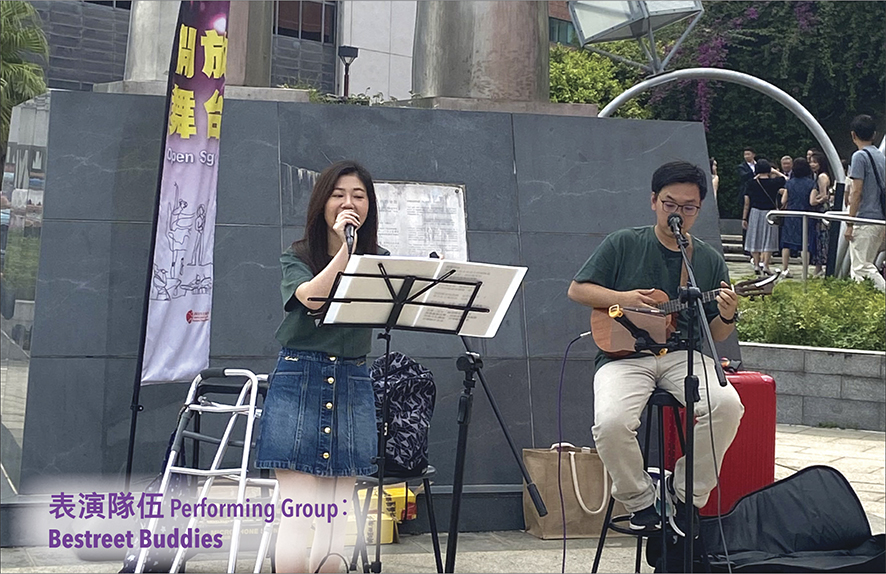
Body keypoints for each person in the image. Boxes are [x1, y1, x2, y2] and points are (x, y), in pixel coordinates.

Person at [567, 161, 743, 536]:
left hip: (683, 354)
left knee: (727, 405)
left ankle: (686, 496)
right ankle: (641, 501)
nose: (678, 213)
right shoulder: (624, 243)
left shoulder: (707, 260)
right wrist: (624, 298)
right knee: (611, 423)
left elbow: (716, 334)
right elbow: (578, 289)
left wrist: (728, 315)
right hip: (624, 355)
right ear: (653, 201)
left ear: (699, 209)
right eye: (670, 204)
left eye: (689, 207)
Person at [255, 160, 387, 573]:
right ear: (322, 203)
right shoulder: (297, 256)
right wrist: (346, 251)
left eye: (359, 196)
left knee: (335, 520)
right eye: (339, 195)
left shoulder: (380, 261)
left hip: (352, 379)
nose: (349, 203)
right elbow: (311, 298)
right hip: (300, 378)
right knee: (298, 514)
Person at [845, 114, 886, 291]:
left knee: (861, 266)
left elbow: (856, 191)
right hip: (880, 218)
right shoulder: (881, 157)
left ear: (853, 134)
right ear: (874, 134)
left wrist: (849, 222)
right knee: (864, 266)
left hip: (865, 219)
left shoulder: (859, 157)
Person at [742, 159, 785, 275]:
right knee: (769, 238)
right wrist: (775, 171)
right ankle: (766, 265)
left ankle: (756, 265)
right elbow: (786, 179)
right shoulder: (774, 182)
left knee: (755, 237)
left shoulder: (751, 183)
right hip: (770, 213)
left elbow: (747, 202)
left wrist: (744, 218)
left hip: (755, 212)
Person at [778, 158, 816, 277]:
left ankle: (785, 269)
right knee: (806, 244)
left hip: (791, 215)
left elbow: (783, 200)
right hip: (805, 215)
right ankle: (805, 271)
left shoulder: (789, 183)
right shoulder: (811, 183)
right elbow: (812, 201)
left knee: (786, 243)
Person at [809, 152, 833, 277]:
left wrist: (815, 200)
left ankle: (821, 266)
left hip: (821, 210)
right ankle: (818, 267)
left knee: (821, 238)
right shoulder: (823, 176)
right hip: (823, 209)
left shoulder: (821, 177)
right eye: (811, 162)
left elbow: (824, 195)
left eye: (815, 162)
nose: (812, 164)